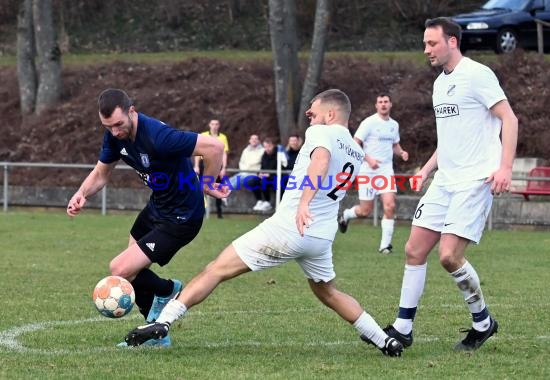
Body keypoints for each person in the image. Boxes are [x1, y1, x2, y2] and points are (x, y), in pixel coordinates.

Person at [123, 89, 404, 357]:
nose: (308, 114)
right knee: (328, 292)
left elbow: (320, 160)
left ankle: (164, 320)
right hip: (320, 236)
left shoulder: (320, 132)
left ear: (330, 114)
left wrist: (304, 202)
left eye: (313, 111)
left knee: (215, 269)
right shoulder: (356, 151)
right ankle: (384, 339)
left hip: (290, 227)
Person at [383, 17, 518, 351]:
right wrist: (426, 169)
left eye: (432, 43)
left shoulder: (477, 74)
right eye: (425, 44)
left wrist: (505, 168)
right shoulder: (439, 84)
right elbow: (450, 139)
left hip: (475, 179)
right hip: (445, 180)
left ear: (452, 42)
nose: (426, 50)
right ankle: (403, 328)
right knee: (414, 249)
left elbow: (509, 118)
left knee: (448, 257)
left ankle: (482, 322)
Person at [67, 88, 228, 347]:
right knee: (132, 272)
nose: (115, 132)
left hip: (182, 216)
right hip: (157, 207)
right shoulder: (114, 136)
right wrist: (82, 193)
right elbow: (101, 173)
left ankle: (167, 290)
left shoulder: (158, 136)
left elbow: (214, 147)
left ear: (132, 111)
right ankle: (154, 332)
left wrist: (207, 183)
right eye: (108, 127)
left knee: (120, 269)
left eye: (119, 125)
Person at [338, 94, 409, 254]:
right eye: (380, 102)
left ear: (390, 104)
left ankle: (385, 246)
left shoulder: (394, 125)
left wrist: (401, 152)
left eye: (386, 102)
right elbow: (355, 143)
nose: (383, 104)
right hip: (368, 172)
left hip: (385, 171)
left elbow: (395, 144)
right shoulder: (369, 123)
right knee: (365, 211)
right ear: (376, 105)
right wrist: (369, 159)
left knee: (390, 206)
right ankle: (347, 215)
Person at [194, 118, 230, 218]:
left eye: (216, 124)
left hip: (217, 164)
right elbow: (197, 152)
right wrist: (196, 166)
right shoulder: (203, 135)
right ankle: (202, 211)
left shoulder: (223, 137)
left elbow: (224, 154)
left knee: (217, 187)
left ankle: (219, 213)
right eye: (212, 124)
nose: (214, 126)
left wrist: (223, 168)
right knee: (202, 187)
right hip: (204, 163)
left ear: (219, 126)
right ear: (209, 125)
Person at [249, 137, 278, 212]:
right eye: (265, 147)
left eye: (269, 146)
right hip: (265, 176)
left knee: (264, 181)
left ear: (273, 145)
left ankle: (267, 202)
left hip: (275, 177)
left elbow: (280, 168)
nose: (267, 149)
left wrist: (270, 175)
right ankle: (259, 201)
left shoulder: (278, 155)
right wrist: (260, 174)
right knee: (252, 181)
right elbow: (262, 168)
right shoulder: (264, 155)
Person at [281, 134, 303, 199]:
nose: (293, 143)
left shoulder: (302, 152)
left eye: (295, 141)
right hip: (286, 175)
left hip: (298, 175)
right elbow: (283, 165)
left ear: (298, 142)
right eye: (291, 141)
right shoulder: (285, 153)